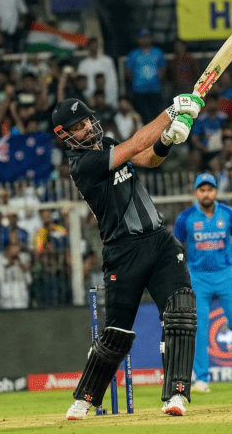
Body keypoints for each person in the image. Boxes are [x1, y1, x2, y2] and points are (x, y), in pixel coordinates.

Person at [53, 92, 200, 420]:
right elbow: (134, 146)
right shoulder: (82, 164)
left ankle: (175, 394)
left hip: (160, 242)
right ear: (65, 135)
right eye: (77, 126)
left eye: (87, 119)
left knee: (181, 311)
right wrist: (171, 111)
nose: (87, 127)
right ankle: (85, 398)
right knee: (116, 333)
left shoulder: (106, 142)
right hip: (122, 251)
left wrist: (166, 140)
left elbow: (148, 159)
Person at [173, 173, 232, 394]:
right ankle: (201, 378)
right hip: (198, 277)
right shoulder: (186, 218)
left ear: (215, 192)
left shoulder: (229, 214)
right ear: (196, 192)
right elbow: (174, 247)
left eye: (209, 189)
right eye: (202, 190)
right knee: (199, 328)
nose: (206, 193)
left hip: (226, 274)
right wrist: (176, 276)